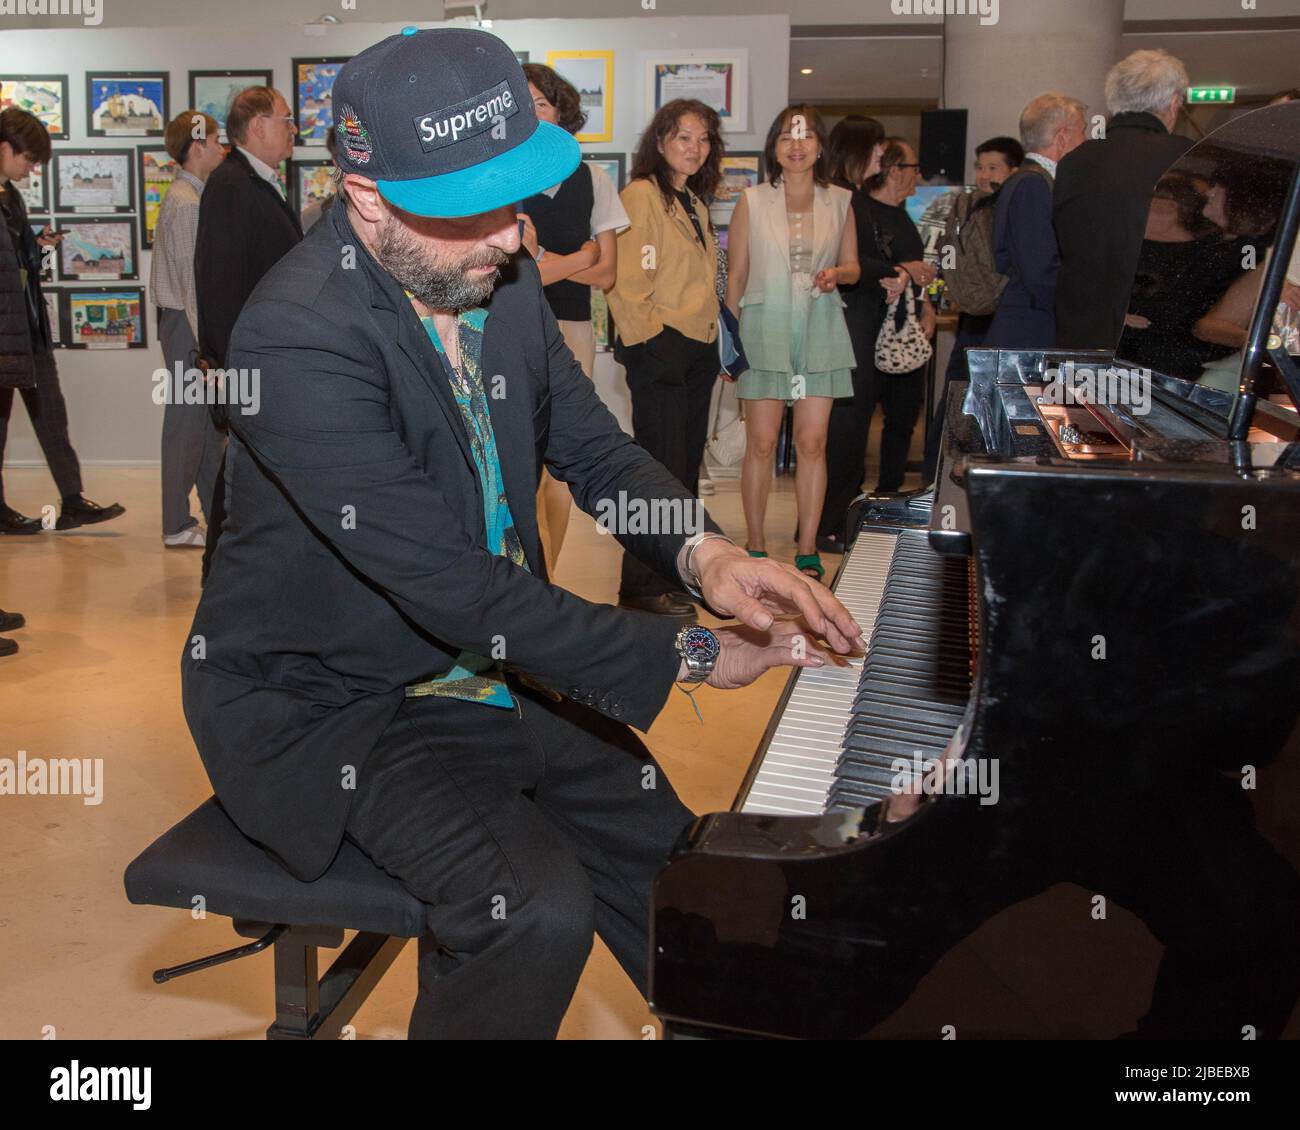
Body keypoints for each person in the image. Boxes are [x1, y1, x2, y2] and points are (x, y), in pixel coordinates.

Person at [180, 26, 865, 1042]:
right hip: (337, 698)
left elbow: (595, 454)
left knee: (678, 865)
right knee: (533, 911)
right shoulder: (296, 333)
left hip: (480, 665)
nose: (515, 234)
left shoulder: (492, 284)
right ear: (369, 196)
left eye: (519, 197)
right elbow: (458, 589)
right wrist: (688, 650)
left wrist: (709, 554)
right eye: (478, 207)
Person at [725, 105, 860, 582]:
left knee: (813, 442)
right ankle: (756, 544)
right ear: (775, 146)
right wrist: (728, 343)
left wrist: (837, 275)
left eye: (805, 137)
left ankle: (807, 545)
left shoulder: (841, 200)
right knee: (761, 444)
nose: (797, 145)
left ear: (820, 146)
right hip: (763, 329)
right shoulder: (752, 200)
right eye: (787, 136)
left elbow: (853, 267)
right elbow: (736, 275)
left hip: (821, 327)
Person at [605, 98, 723, 617]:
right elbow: (625, 282)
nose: (694, 148)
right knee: (655, 469)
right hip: (660, 347)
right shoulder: (640, 195)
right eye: (683, 137)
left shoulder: (694, 203)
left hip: (697, 348)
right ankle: (638, 584)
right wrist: (651, 346)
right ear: (659, 142)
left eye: (703, 139)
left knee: (682, 470)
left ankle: (675, 573)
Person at [518, 62, 629, 578]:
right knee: (520, 455)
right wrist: (579, 258)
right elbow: (516, 278)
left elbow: (609, 275)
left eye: (539, 102)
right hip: (509, 329)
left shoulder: (593, 178)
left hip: (573, 330)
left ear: (561, 112)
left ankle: (550, 577)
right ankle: (520, 574)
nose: (530, 112)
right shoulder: (503, 178)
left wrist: (549, 264)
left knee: (562, 463)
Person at [0, 108, 126, 536]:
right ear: (5, 148)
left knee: (52, 415)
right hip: (5, 334)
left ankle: (73, 500)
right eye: (28, 159)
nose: (32, 168)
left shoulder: (10, 198)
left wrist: (41, 248)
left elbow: (21, 264)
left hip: (28, 330)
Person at [194, 85, 302, 581]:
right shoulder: (234, 184)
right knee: (240, 465)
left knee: (250, 463)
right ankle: (217, 567)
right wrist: (224, 364)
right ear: (257, 126)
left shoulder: (255, 180)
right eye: (286, 119)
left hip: (266, 354)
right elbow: (217, 280)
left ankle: (238, 564)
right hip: (249, 361)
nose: (293, 129)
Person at [1053, 50, 1193, 350]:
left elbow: (1063, 247)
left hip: (1080, 335)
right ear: (1173, 103)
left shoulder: (1073, 162)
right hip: (1162, 342)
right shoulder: (1190, 160)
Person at [921, 135, 1024, 482]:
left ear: (1014, 171)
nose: (983, 175)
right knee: (959, 399)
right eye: (980, 167)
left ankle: (980, 478)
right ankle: (937, 481)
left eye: (993, 167)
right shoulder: (967, 206)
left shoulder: (1018, 209)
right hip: (974, 318)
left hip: (1004, 318)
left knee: (991, 402)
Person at [152, 109, 227, 549]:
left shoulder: (190, 197)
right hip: (186, 324)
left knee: (202, 426)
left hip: (184, 323)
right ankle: (175, 523)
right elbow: (191, 282)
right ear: (197, 146)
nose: (221, 149)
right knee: (184, 426)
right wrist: (207, 345)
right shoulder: (186, 203)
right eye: (216, 142)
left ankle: (207, 516)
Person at [984, 93, 1087, 351]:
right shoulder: (1033, 185)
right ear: (1063, 137)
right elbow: (1040, 272)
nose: (1087, 141)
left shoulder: (1027, 180)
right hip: (1030, 329)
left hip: (1027, 324)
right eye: (1083, 132)